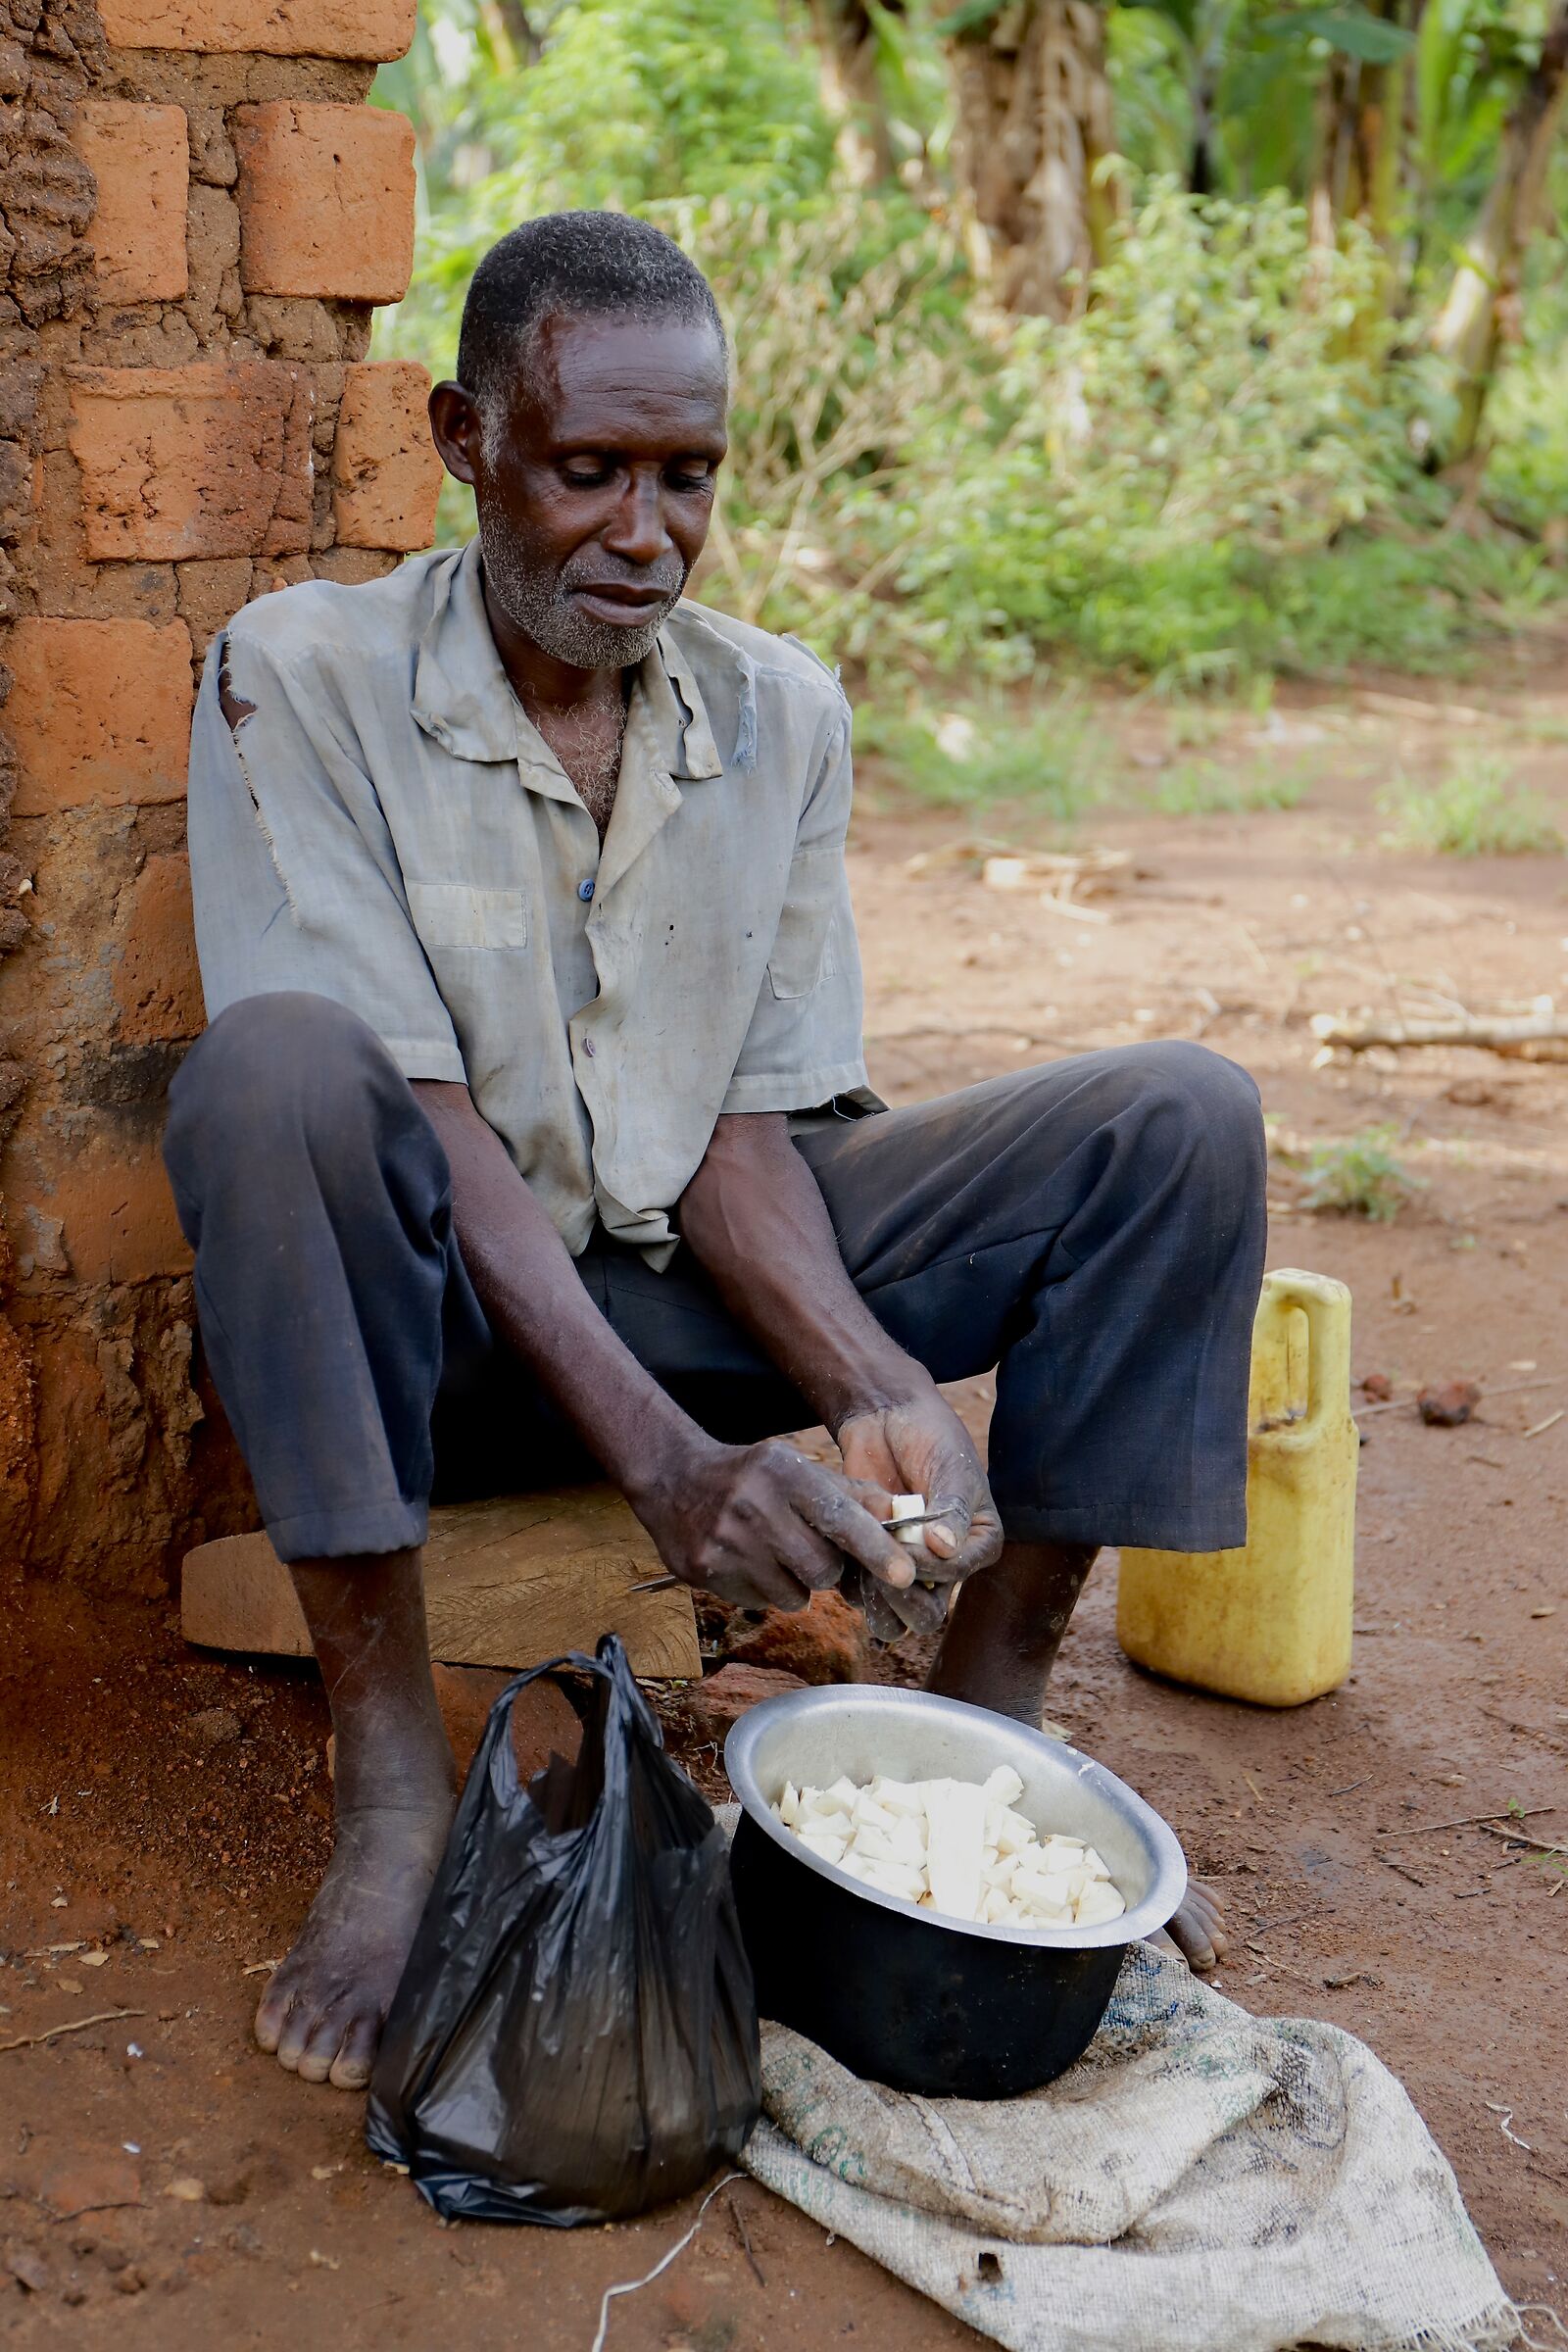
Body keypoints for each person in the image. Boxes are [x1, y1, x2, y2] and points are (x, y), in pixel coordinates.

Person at [166, 212, 1263, 2093]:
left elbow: (750, 1132)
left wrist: (873, 1382)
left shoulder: (777, 713)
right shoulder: (300, 675)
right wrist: (678, 1476)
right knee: (272, 1076)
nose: (646, 533)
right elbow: (419, 1123)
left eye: (689, 479)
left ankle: (990, 1712)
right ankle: (396, 1795)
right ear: (464, 440)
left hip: (687, 1288)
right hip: (433, 1343)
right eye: (590, 471)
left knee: (1180, 1114)